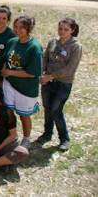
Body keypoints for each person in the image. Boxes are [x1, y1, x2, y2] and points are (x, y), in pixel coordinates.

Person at [37, 18, 82, 151]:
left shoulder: (75, 46)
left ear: (72, 30)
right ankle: (47, 134)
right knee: (47, 107)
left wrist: (51, 76)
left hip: (63, 83)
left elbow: (70, 69)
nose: (62, 32)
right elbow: (45, 59)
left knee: (56, 110)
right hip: (47, 81)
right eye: (60, 28)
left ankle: (64, 139)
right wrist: (42, 74)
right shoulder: (53, 42)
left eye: (66, 29)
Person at [2, 16, 43, 150]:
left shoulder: (34, 47)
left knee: (24, 115)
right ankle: (11, 134)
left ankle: (26, 139)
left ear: (28, 29)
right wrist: (4, 69)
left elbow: (33, 73)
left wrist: (10, 72)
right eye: (16, 27)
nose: (17, 30)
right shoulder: (12, 41)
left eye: (21, 28)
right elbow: (6, 59)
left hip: (25, 89)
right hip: (9, 84)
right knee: (8, 111)